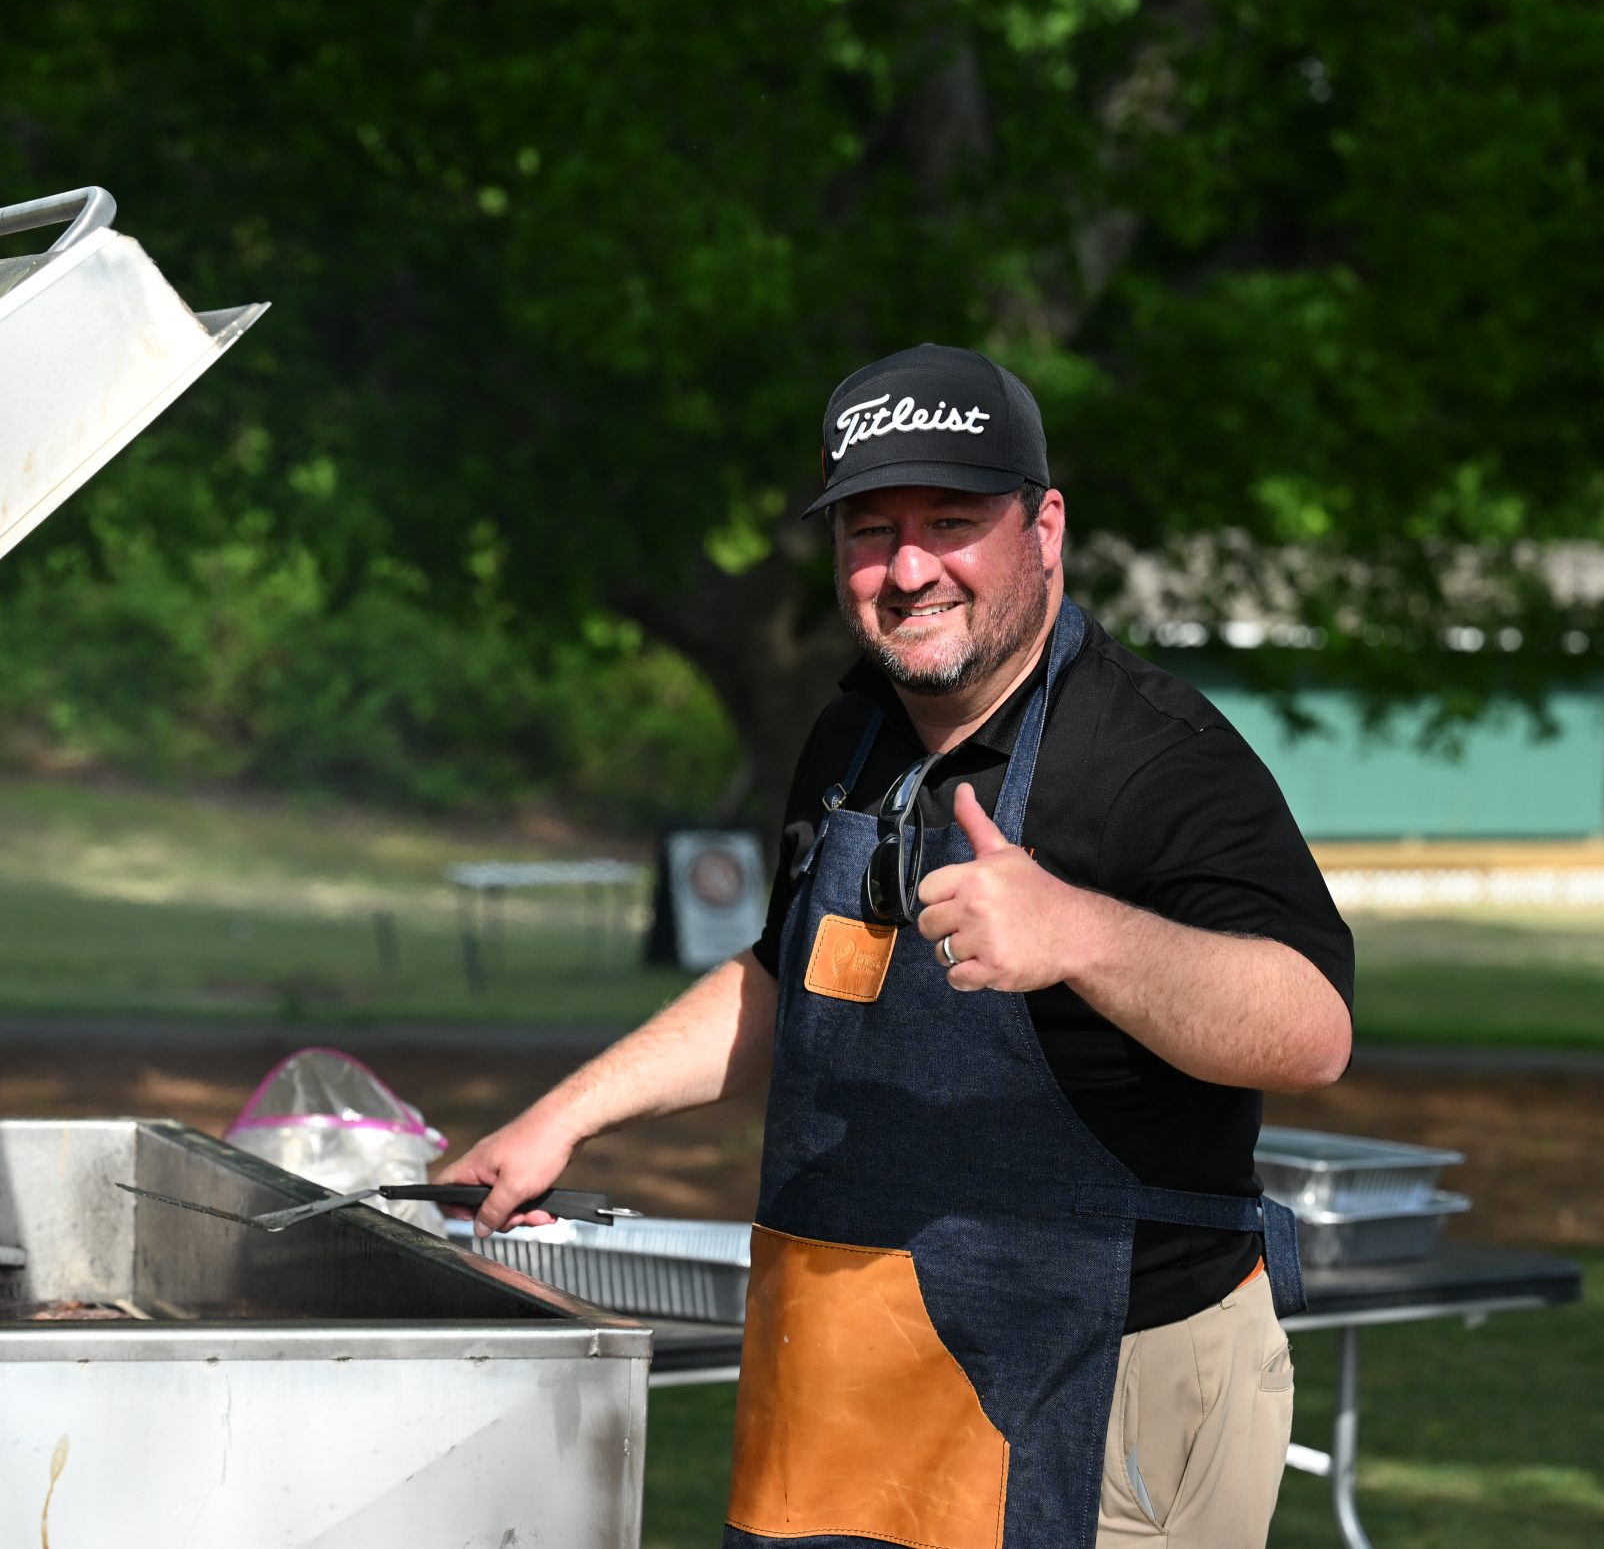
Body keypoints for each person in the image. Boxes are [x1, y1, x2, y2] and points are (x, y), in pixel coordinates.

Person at [438, 343, 1354, 1549]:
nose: (908, 567)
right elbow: (787, 978)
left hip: (1093, 1389)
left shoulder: (1153, 756)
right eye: (870, 529)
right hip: (849, 1376)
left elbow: (1309, 1028)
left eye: (951, 520)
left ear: (1044, 527)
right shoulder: (851, 733)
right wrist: (565, 1117)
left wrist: (1077, 932)